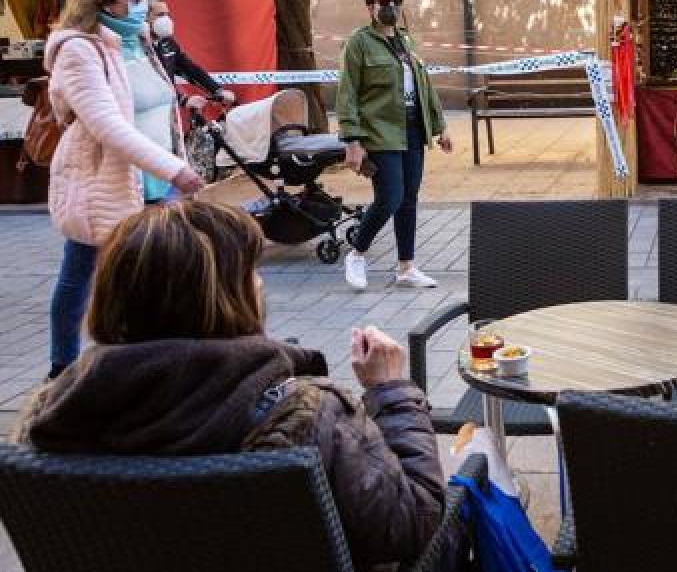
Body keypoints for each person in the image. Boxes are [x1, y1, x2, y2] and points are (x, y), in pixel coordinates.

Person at [12, 201, 447, 571]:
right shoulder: (304, 417)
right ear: (223, 296)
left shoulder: (50, 424)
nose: (260, 283)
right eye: (251, 272)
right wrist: (392, 393)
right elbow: (412, 525)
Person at [42, 0, 204, 379]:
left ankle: (149, 366)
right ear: (103, 1)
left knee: (156, 275)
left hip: (155, 186)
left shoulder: (139, 41)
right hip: (106, 183)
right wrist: (176, 170)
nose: (142, 4)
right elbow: (108, 126)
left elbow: (163, 111)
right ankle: (62, 368)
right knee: (82, 273)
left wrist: (174, 165)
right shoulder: (79, 50)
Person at [337, 0, 452, 291]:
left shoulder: (406, 40)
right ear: (370, 7)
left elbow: (423, 85)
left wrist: (439, 126)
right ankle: (357, 255)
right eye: (384, 1)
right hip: (380, 132)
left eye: (396, 1)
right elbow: (347, 94)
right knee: (389, 197)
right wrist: (352, 141)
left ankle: (406, 267)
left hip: (413, 130)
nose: (392, 7)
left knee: (409, 198)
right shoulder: (358, 43)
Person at [144, 0, 237, 111]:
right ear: (144, 17)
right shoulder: (137, 47)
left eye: (167, 15)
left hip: (169, 113)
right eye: (160, 15)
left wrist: (218, 90)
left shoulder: (168, 43)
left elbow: (190, 69)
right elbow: (152, 84)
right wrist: (183, 100)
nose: (166, 19)